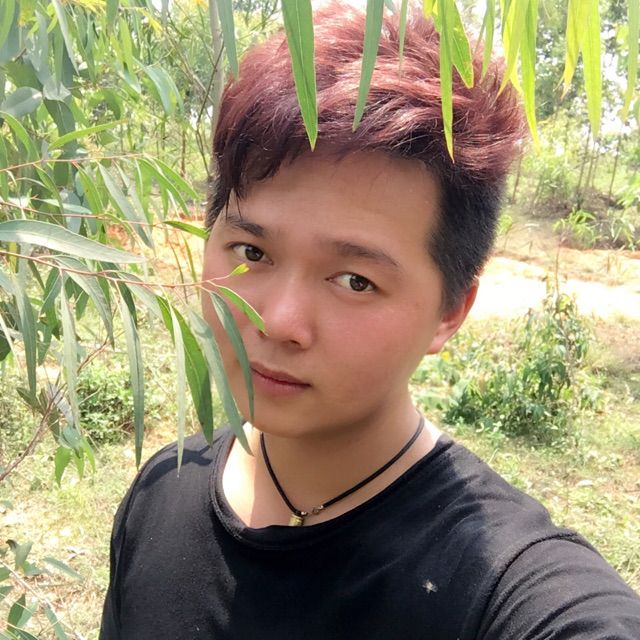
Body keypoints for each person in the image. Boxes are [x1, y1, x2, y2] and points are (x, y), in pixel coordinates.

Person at [100, 5, 640, 639]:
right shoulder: (161, 493)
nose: (278, 322)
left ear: (450, 312)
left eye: (355, 280)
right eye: (252, 252)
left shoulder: (500, 588)